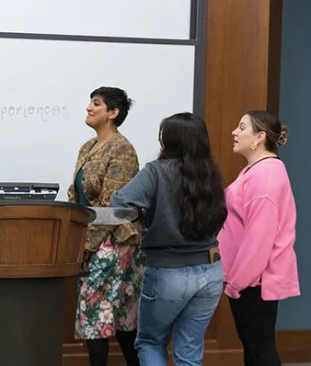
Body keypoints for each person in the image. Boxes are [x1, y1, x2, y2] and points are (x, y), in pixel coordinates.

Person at [111, 112, 227, 366]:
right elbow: (220, 216)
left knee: (150, 342)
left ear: (169, 141)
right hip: (211, 271)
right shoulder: (210, 173)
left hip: (167, 271)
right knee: (189, 350)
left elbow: (120, 202)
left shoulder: (156, 171)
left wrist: (145, 215)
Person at [67, 86, 143, 366]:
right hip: (91, 241)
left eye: (96, 104)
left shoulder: (122, 148)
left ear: (113, 113)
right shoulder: (87, 146)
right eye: (89, 102)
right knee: (100, 319)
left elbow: (112, 206)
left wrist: (86, 244)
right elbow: (75, 196)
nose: (89, 107)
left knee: (105, 319)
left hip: (115, 243)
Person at [217, 111, 299, 366]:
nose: (235, 132)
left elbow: (259, 238)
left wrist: (237, 283)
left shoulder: (267, 174)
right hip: (247, 280)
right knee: (253, 349)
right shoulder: (255, 171)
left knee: (260, 351)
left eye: (242, 127)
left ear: (260, 137)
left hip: (254, 282)